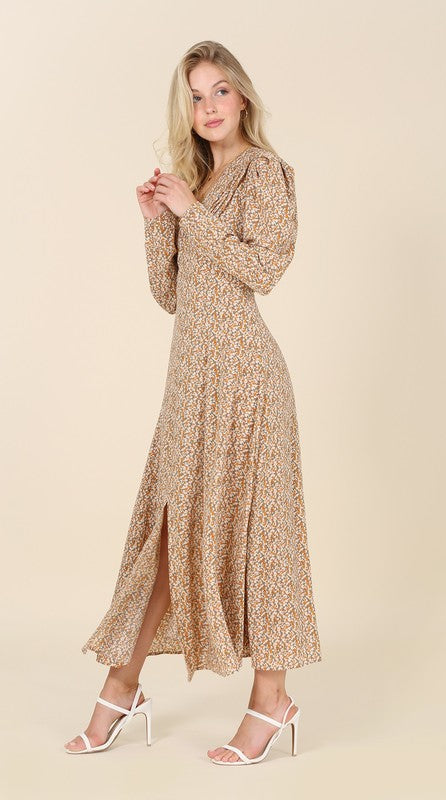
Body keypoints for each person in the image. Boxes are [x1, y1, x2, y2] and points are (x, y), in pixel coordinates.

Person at [64, 40, 322, 765]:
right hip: (191, 382)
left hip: (245, 379)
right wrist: (156, 221)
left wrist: (192, 215)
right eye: (196, 97)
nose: (208, 108)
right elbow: (173, 295)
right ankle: (123, 690)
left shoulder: (264, 173)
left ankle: (270, 700)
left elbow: (263, 270)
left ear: (242, 98)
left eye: (219, 92)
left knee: (261, 539)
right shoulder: (196, 182)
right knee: (169, 537)